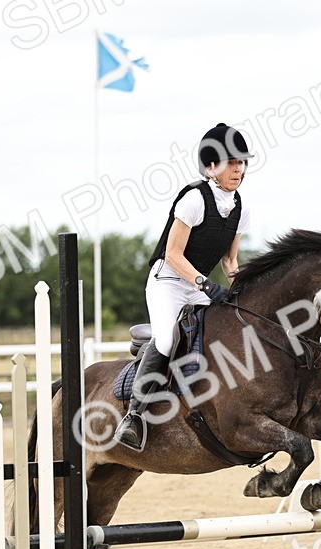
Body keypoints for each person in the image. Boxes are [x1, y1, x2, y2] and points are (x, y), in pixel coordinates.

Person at [113, 122, 254, 451]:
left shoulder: (241, 208)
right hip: (168, 281)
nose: (238, 169)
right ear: (210, 166)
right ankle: (134, 416)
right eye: (231, 162)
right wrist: (205, 285)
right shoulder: (193, 199)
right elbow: (173, 254)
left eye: (241, 162)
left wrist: (239, 288)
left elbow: (230, 261)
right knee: (167, 339)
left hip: (198, 285)